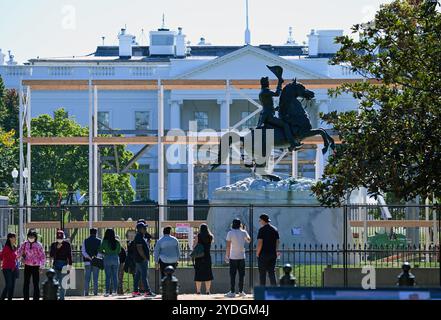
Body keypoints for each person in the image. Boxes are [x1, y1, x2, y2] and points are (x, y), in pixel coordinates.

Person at [258, 76, 301, 151]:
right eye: (268, 82)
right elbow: (277, 93)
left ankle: (284, 144)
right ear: (266, 83)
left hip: (268, 114)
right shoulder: (265, 91)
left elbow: (267, 105)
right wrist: (280, 82)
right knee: (285, 125)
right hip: (269, 116)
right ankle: (292, 144)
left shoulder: (263, 92)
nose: (268, 84)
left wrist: (275, 109)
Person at [224, 219, 251, 298]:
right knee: (241, 275)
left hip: (233, 256)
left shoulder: (230, 233)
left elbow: (228, 245)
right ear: (240, 224)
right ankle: (241, 291)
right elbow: (249, 240)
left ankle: (232, 291)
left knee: (232, 275)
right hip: (241, 256)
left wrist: (227, 255)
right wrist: (245, 231)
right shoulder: (243, 232)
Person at [17, 229, 46, 300]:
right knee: (26, 283)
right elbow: (19, 252)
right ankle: (26, 298)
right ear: (27, 236)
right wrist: (20, 259)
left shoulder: (39, 245)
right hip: (27, 266)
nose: (31, 238)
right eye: (30, 236)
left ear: (35, 237)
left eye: (33, 236)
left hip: (36, 267)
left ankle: (36, 298)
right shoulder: (24, 244)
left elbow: (42, 256)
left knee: (36, 283)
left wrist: (42, 266)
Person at [132, 221, 155, 297]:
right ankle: (147, 291)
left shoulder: (141, 236)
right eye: (144, 228)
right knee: (144, 276)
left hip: (139, 259)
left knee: (138, 275)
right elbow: (139, 248)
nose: (145, 229)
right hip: (141, 260)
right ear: (140, 229)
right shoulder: (139, 236)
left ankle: (135, 291)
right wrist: (145, 258)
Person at [256, 214, 280, 286]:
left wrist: (257, 253)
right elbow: (277, 241)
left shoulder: (262, 230)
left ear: (263, 220)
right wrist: (276, 250)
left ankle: (263, 291)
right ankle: (274, 290)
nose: (259, 222)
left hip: (263, 254)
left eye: (260, 220)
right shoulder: (275, 229)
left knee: (262, 273)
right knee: (272, 272)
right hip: (272, 254)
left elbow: (260, 242)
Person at [49, 230, 73, 300]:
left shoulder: (67, 244)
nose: (59, 240)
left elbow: (69, 256)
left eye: (61, 238)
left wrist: (70, 266)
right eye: (58, 238)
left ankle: (62, 298)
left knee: (63, 283)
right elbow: (51, 255)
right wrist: (57, 248)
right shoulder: (53, 244)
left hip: (64, 265)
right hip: (56, 265)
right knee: (54, 283)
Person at [99, 228, 121, 297]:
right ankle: (115, 291)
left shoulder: (105, 241)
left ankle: (107, 292)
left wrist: (105, 253)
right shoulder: (117, 242)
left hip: (107, 258)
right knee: (115, 276)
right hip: (115, 258)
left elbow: (100, 250)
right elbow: (119, 251)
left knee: (108, 276)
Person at [193, 224, 214, 295]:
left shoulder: (198, 236)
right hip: (207, 257)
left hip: (199, 257)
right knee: (208, 274)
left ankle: (198, 291)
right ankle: (208, 291)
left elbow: (194, 246)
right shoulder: (210, 237)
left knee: (198, 274)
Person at [82, 228, 101, 296]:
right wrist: (95, 258)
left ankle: (86, 292)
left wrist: (89, 258)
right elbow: (100, 252)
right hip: (96, 262)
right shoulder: (99, 241)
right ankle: (95, 293)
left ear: (90, 233)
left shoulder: (85, 240)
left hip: (87, 261)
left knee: (87, 278)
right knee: (95, 278)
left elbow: (83, 252)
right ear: (96, 233)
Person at [0, 233, 18, 300]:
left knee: (12, 286)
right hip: (7, 269)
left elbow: (16, 257)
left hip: (14, 269)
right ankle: (2, 298)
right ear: (10, 238)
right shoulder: (6, 248)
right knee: (8, 285)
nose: (15, 239)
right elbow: (1, 256)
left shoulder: (15, 247)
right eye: (14, 237)